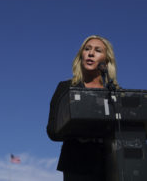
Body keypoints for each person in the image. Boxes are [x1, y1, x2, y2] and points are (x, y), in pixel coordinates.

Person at [47, 35, 119, 181]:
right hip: (77, 166)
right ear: (81, 55)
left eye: (98, 50)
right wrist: (80, 130)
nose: (91, 53)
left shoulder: (115, 93)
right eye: (87, 49)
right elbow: (52, 130)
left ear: (106, 60)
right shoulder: (66, 88)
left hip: (112, 165)